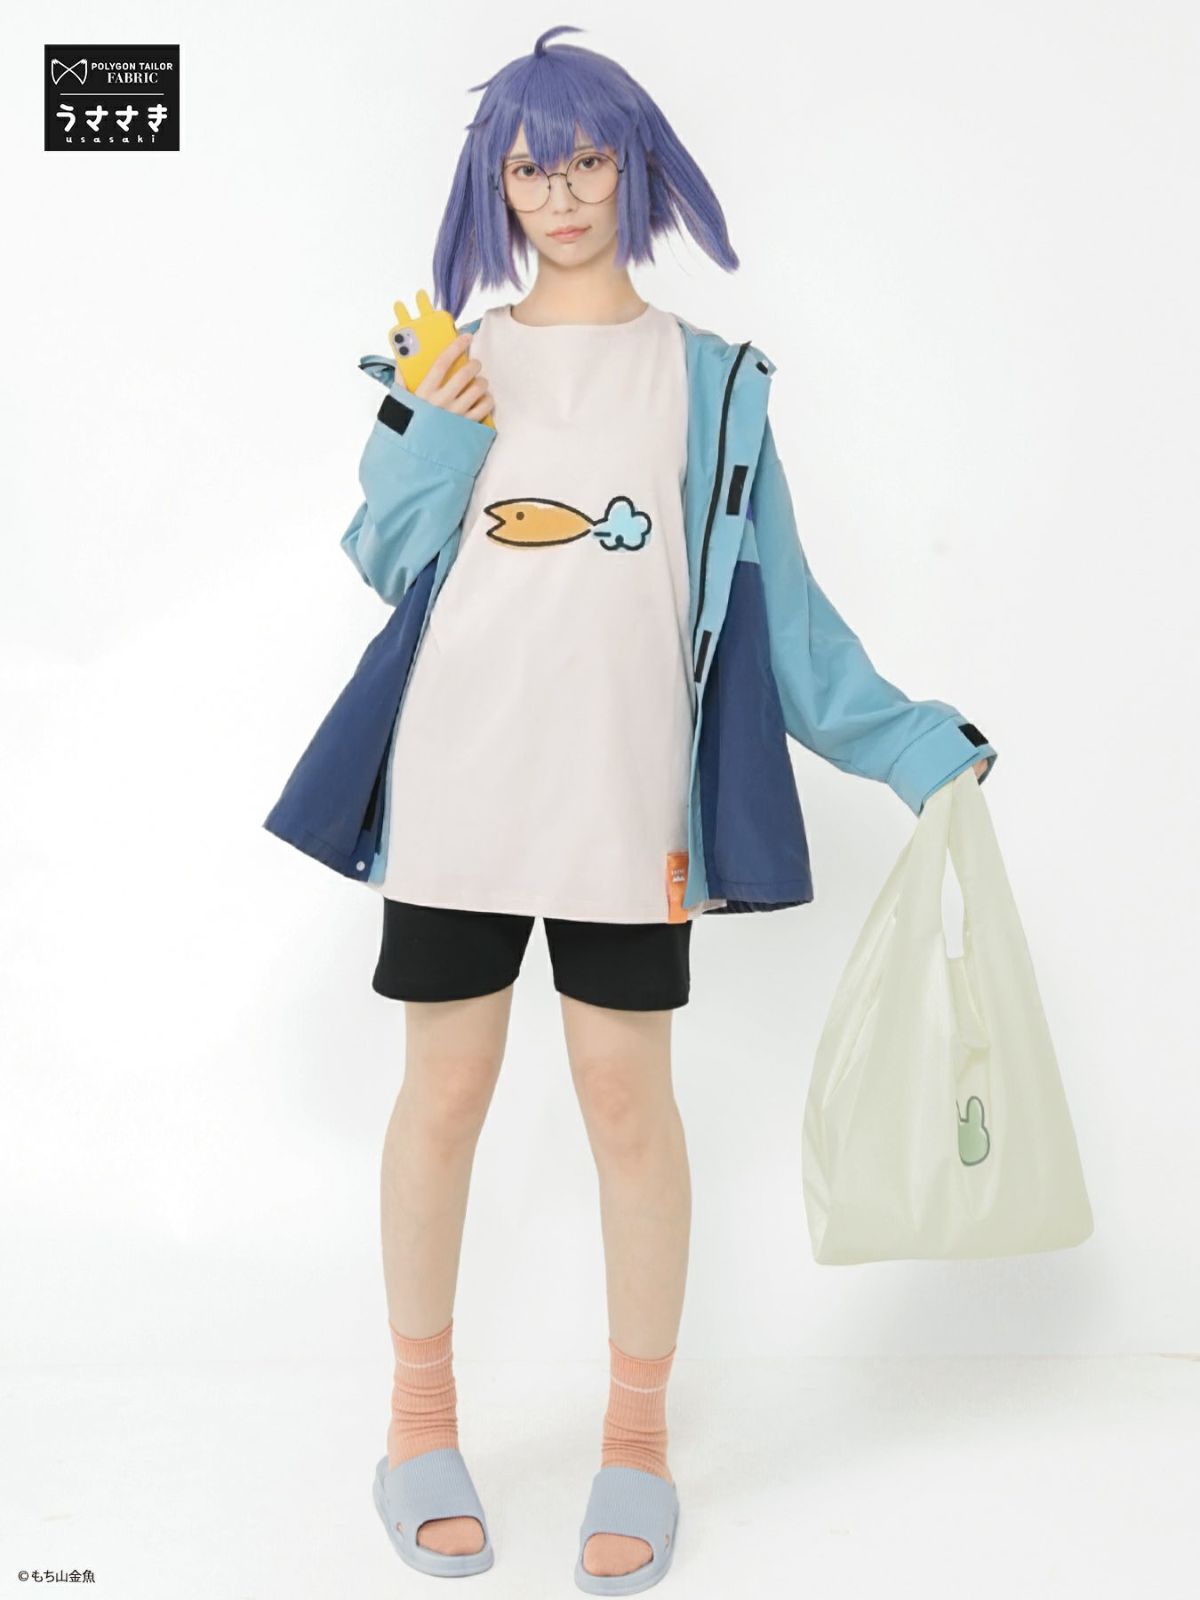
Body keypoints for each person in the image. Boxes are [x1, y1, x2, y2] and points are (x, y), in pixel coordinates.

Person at [264, 23, 995, 1593]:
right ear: (497, 184)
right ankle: (416, 1424)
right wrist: (438, 422)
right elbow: (384, 561)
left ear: (633, 167)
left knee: (623, 1107)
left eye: (589, 159)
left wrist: (913, 745)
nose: (564, 193)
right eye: (533, 168)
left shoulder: (712, 383)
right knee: (443, 1099)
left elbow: (782, 623)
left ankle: (638, 1441)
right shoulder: (448, 358)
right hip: (455, 794)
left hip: (623, 805)